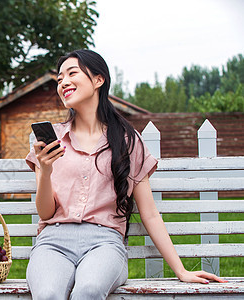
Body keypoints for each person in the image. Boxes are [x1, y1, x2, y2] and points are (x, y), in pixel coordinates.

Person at [25, 49, 226, 300]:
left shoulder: (128, 141)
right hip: (53, 241)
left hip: (104, 243)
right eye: (59, 78)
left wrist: (181, 269)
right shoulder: (51, 140)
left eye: (71, 73)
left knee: (88, 291)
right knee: (47, 294)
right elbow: (45, 213)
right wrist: (45, 171)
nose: (63, 82)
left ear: (98, 80)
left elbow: (149, 213)